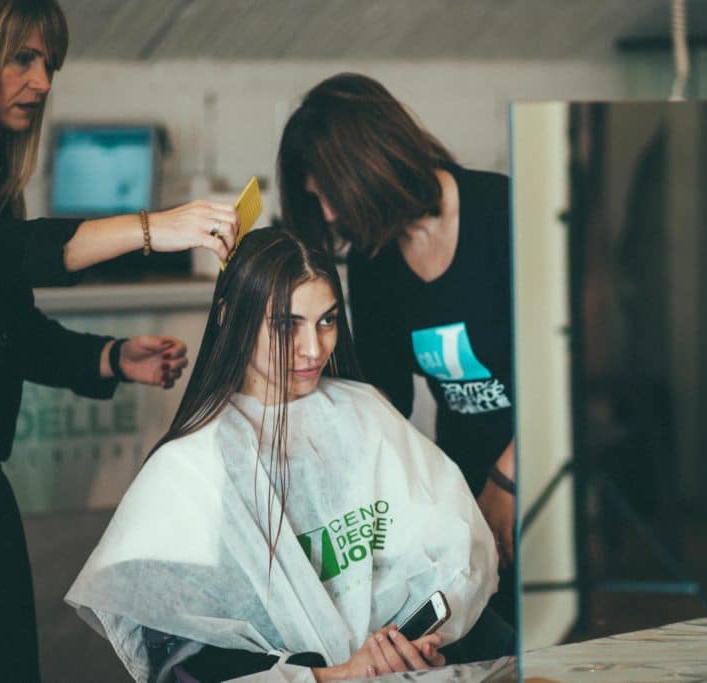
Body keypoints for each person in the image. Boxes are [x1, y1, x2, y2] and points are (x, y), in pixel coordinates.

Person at [0, 1, 238, 681]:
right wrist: (153, 227)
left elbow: (7, 328)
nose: (43, 81)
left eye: (49, 64)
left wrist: (109, 356)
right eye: (23, 59)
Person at [66, 228, 501, 682]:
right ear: (230, 316)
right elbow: (188, 667)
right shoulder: (187, 471)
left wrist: (415, 644)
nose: (313, 349)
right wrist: (338, 675)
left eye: (327, 321)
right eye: (285, 324)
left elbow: (451, 552)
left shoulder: (364, 413)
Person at [277, 73, 517, 623]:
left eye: (331, 195)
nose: (331, 216)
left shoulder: (501, 210)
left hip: (537, 465)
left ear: (371, 163)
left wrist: (506, 482)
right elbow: (388, 394)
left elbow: (558, 371)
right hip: (465, 477)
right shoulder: (373, 257)